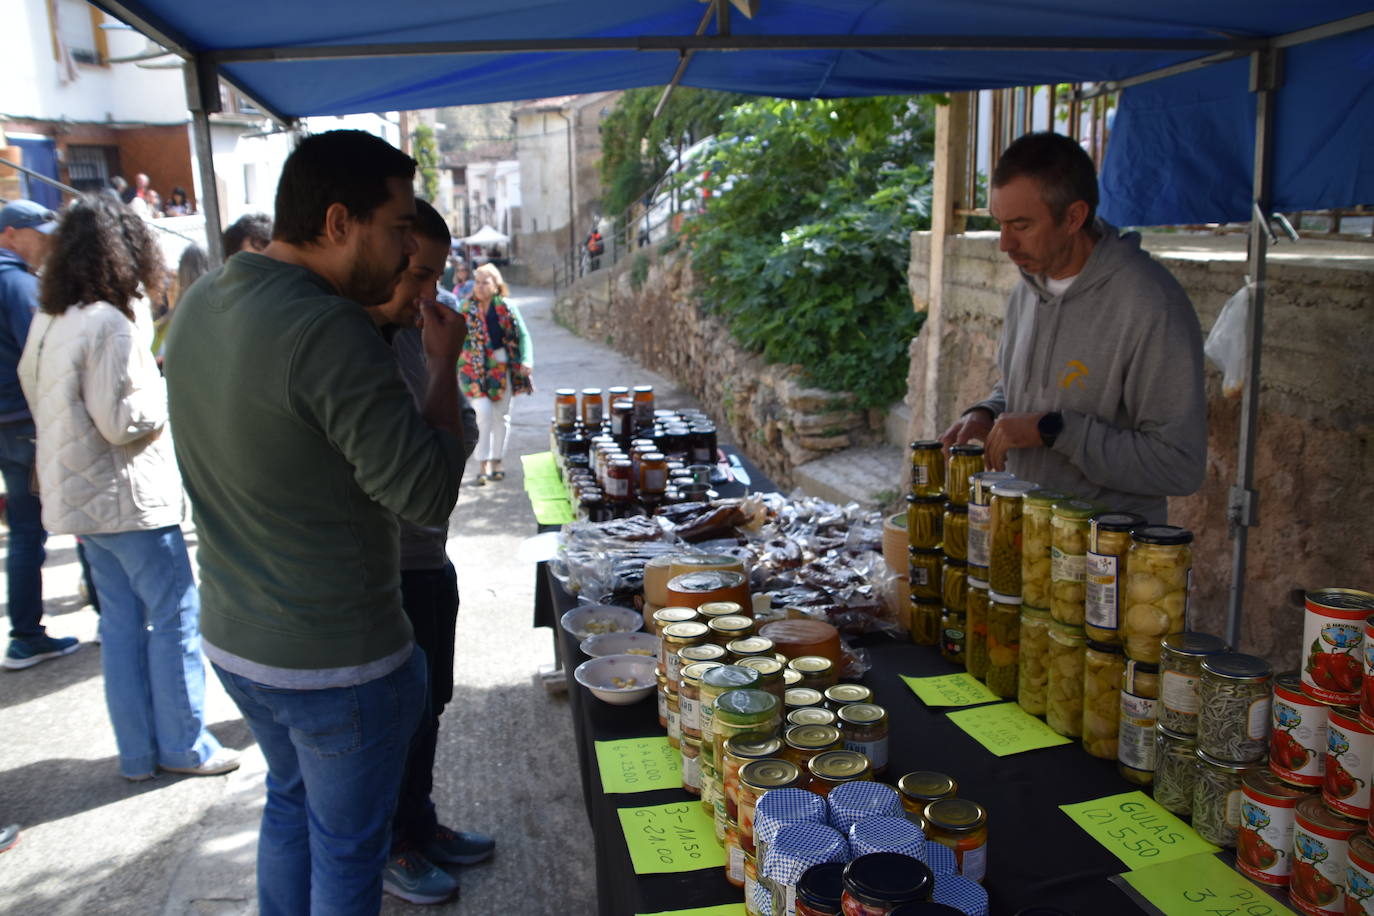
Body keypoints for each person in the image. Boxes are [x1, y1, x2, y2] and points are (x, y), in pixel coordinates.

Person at [164, 129, 468, 916]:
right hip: (335, 663)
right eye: (400, 228)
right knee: (346, 851)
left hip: (239, 642)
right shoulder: (328, 329)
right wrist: (443, 371)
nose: (410, 254)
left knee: (292, 810)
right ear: (339, 223)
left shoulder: (203, 297)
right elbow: (425, 494)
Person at [17, 194, 236, 781]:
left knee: (119, 627)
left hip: (80, 503)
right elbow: (122, 421)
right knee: (175, 620)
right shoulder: (110, 323)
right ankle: (186, 745)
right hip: (128, 501)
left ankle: (138, 755)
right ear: (128, 251)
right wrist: (169, 388)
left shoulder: (51, 317)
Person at [939, 132, 1206, 523]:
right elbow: (1025, 390)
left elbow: (1178, 465)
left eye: (1022, 225)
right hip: (1024, 539)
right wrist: (987, 413)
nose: (1004, 245)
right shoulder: (1027, 288)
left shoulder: (1150, 304)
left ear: (1074, 217)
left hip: (1107, 555)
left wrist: (1056, 432)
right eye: (1000, 223)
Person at [363, 199, 489, 905]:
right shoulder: (356, 343)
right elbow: (420, 477)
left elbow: (458, 436)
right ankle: (392, 845)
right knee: (396, 723)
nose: (428, 295)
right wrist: (445, 376)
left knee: (430, 705)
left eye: (437, 277)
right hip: (385, 570)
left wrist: (443, 372)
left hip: (428, 559)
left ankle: (420, 822)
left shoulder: (415, 332)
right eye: (416, 275)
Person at [0, 200, 79, 670]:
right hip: (26, 424)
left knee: (26, 531)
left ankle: (27, 631)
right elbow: (44, 354)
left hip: (7, 425)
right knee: (43, 527)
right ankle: (28, 634)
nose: (45, 241)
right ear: (10, 234)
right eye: (36, 232)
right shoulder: (16, 284)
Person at [458, 263, 532, 485]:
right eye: (477, 282)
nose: (480, 286)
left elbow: (523, 335)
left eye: (485, 282)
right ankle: (482, 462)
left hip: (501, 365)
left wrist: (527, 360)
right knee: (482, 412)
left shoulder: (507, 307)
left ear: (496, 284)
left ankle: (497, 460)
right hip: (475, 367)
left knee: (502, 416)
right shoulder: (465, 309)